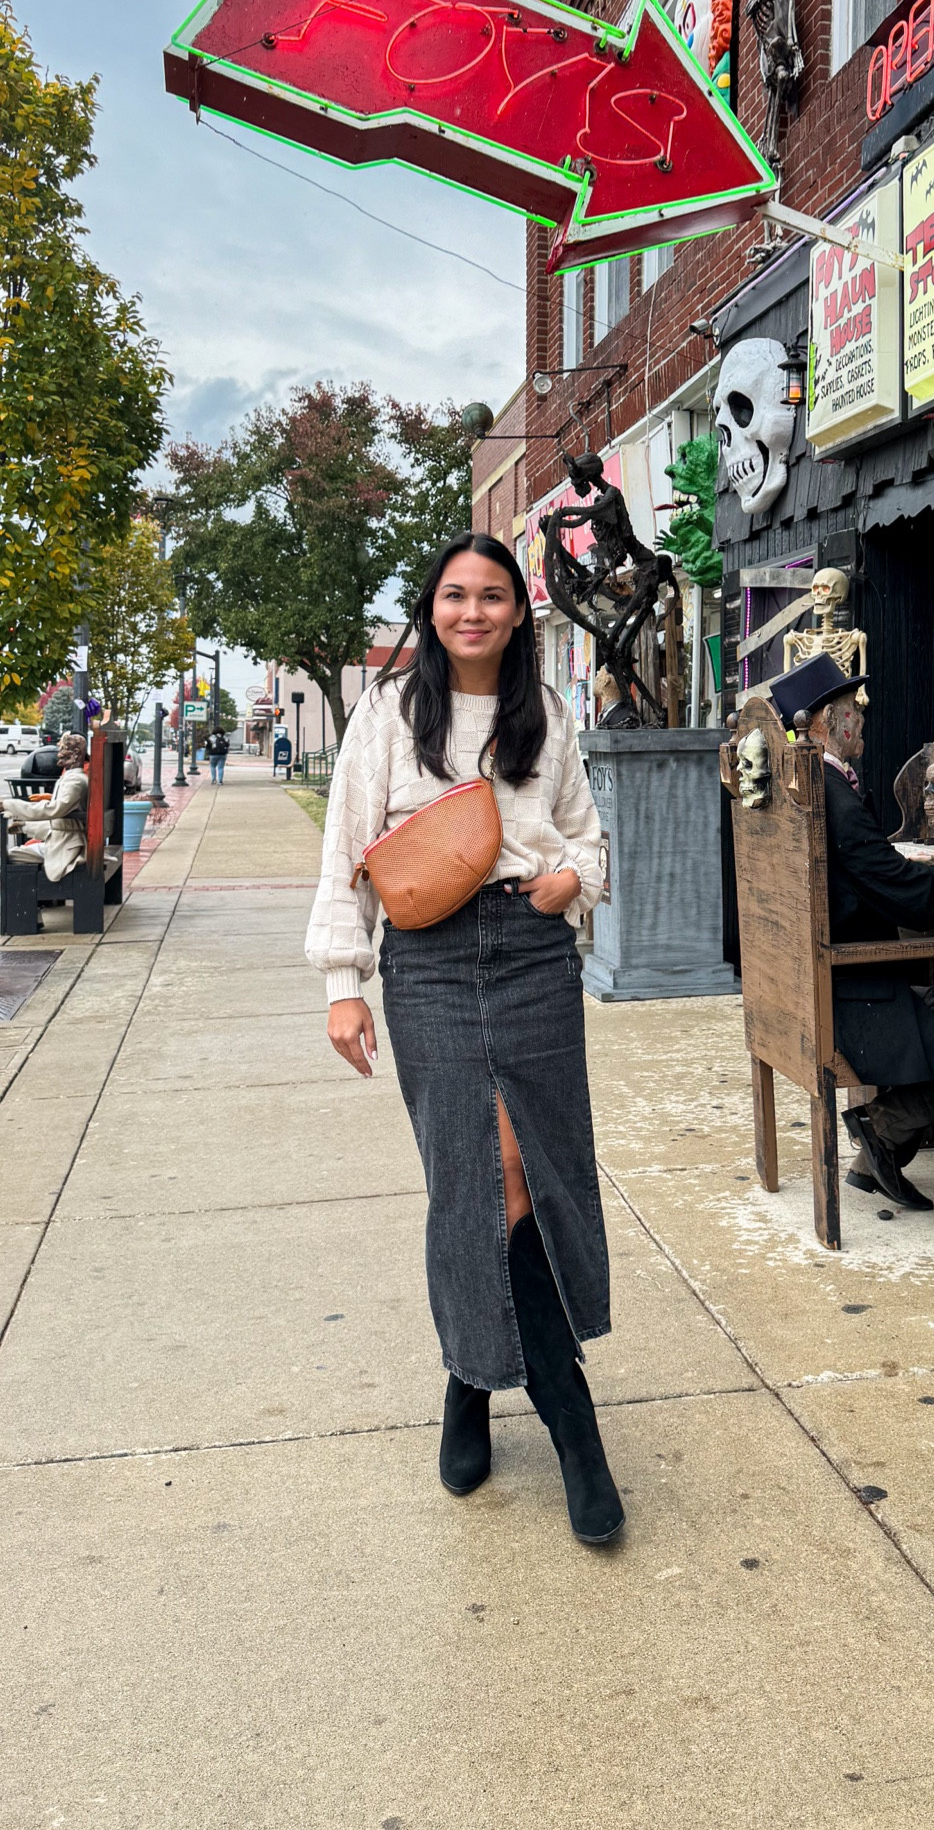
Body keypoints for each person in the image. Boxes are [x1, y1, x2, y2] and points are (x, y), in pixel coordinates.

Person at [306, 532, 622, 1544]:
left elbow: (587, 835)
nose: (473, 611)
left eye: (493, 595)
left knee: (533, 1167)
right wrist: (342, 982)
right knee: (472, 1174)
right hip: (430, 959)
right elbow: (345, 851)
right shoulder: (392, 714)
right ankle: (566, 1420)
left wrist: (572, 877)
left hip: (531, 952)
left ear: (520, 612)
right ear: (431, 608)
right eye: (455, 595)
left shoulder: (549, 715)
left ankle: (474, 1376)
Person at [769, 654, 934, 1212]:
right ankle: (876, 1130)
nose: (863, 721)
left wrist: (907, 859)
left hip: (812, 982)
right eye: (854, 711)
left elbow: (866, 866)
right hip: (852, 989)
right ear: (826, 720)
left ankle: (871, 1151)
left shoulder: (802, 783)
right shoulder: (832, 792)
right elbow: (907, 899)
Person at [2, 732, 88, 880]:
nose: (59, 754)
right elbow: (61, 823)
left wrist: (9, 805)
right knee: (13, 853)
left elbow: (52, 811)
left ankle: (25, 900)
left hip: (65, 847)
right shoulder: (71, 778)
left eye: (63, 749)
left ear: (75, 754)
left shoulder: (76, 781)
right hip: (61, 842)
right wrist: (25, 827)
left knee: (7, 858)